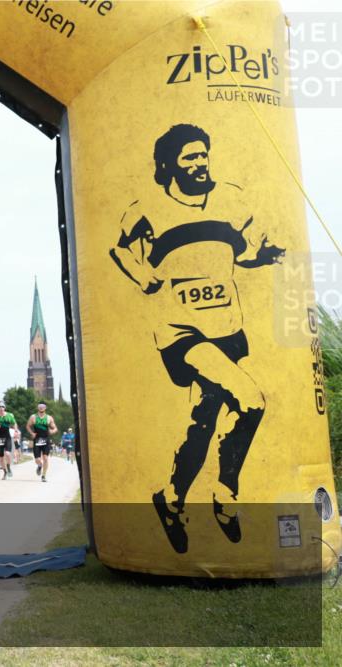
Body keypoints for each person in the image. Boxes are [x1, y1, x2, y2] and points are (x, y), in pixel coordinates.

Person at [110, 124, 281, 554]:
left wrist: (264, 256)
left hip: (228, 327)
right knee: (252, 399)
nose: (199, 162)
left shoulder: (231, 199)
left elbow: (242, 253)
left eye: (203, 154)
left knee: (202, 425)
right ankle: (225, 495)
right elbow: (121, 249)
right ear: (168, 165)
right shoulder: (147, 207)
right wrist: (142, 274)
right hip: (181, 332)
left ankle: (170, 500)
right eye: (189, 157)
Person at [27, 402, 58, 483]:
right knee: (37, 459)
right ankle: (40, 465)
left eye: (43, 406)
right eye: (39, 406)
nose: (41, 408)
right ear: (38, 407)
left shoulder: (49, 418)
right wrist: (32, 433)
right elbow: (28, 426)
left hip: (46, 440)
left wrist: (52, 431)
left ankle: (43, 475)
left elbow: (55, 428)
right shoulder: (33, 417)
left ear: (45, 408)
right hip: (37, 440)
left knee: (45, 458)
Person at [0, 402, 17, 480]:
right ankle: (5, 472)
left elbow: (14, 423)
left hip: (7, 437)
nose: (1, 408)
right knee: (1, 457)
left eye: (2, 406)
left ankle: (9, 467)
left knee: (7, 453)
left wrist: (16, 431)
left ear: (4, 408)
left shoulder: (9, 415)